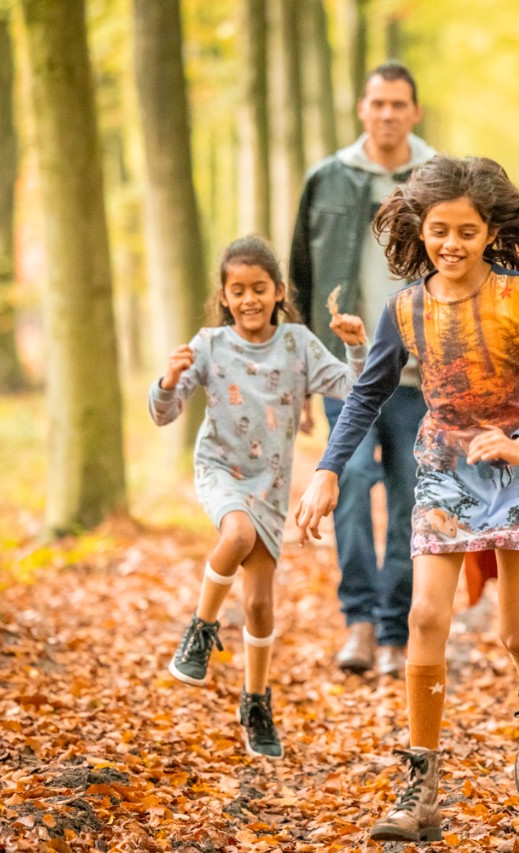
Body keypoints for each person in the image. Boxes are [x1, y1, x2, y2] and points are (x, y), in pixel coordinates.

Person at [294, 156, 519, 843]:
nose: (450, 244)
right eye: (438, 231)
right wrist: (328, 468)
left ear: (489, 232)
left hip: (517, 469)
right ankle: (420, 785)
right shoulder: (407, 305)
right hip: (443, 467)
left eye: (465, 231)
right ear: (419, 231)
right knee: (427, 615)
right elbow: (366, 393)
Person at [150, 236, 368, 759]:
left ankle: (255, 702)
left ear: (278, 291)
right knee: (237, 533)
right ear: (223, 296)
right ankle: (200, 631)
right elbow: (163, 413)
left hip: (270, 483)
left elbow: (355, 387)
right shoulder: (208, 345)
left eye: (259, 289)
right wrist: (168, 378)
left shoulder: (297, 343)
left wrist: (357, 345)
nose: (248, 299)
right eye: (237, 290)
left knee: (260, 604)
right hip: (221, 469)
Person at [290, 62, 437, 678]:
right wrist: (297, 372)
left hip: (421, 375)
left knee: (411, 501)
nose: (387, 115)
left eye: (398, 104)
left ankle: (395, 633)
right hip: (343, 374)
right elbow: (296, 277)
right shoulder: (327, 178)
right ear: (361, 108)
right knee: (345, 489)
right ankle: (356, 622)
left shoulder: (441, 180)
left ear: (415, 112)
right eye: (377, 103)